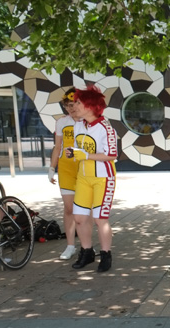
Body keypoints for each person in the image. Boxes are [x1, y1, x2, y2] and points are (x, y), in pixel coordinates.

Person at [65, 85, 117, 272]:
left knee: (100, 219)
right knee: (79, 218)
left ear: (90, 106)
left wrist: (85, 155)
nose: (74, 106)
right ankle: (87, 252)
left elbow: (112, 154)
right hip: (83, 177)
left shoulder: (106, 128)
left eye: (78, 103)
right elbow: (79, 150)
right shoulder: (78, 125)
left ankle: (106, 255)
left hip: (103, 178)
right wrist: (73, 152)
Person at [48, 88, 82, 260]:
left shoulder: (90, 121)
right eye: (68, 105)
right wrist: (51, 168)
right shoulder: (62, 122)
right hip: (66, 168)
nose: (71, 108)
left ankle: (86, 246)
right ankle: (70, 246)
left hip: (84, 168)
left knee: (84, 210)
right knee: (69, 208)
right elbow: (57, 146)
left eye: (74, 104)